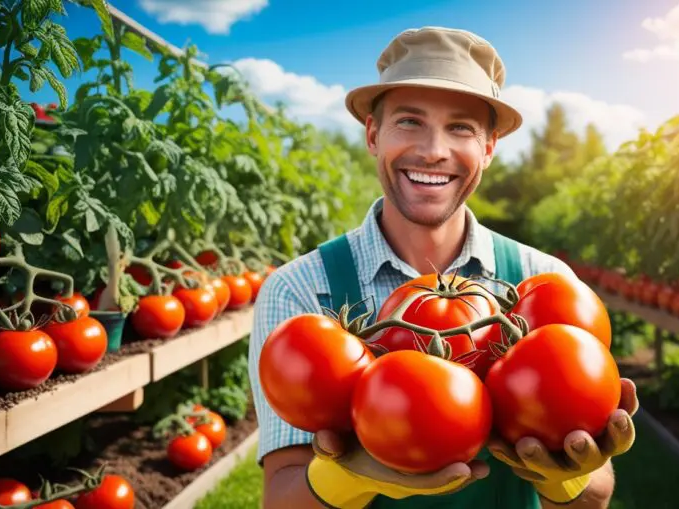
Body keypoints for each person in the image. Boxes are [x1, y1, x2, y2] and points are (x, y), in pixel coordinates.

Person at [248, 26, 639, 509]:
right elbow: (280, 498)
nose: (434, 150)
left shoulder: (549, 283)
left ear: (489, 148)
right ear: (373, 134)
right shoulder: (302, 292)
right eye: (409, 122)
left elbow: (592, 500)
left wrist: (568, 476)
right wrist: (351, 478)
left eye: (461, 128)